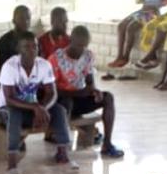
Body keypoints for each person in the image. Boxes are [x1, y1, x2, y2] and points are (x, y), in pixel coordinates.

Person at [0, 31, 77, 174]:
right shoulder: (10, 66)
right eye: (26, 47)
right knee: (13, 114)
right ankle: (12, 163)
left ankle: (63, 155)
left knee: (59, 109)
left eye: (34, 46)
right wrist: (36, 108)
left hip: (31, 108)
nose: (31, 50)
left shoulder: (44, 65)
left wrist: (42, 108)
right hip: (7, 109)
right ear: (18, 50)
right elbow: (9, 99)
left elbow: (52, 93)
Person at [50, 25, 123, 158]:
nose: (81, 50)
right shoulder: (56, 58)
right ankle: (62, 150)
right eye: (78, 45)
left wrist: (94, 91)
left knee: (108, 98)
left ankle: (107, 144)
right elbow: (52, 91)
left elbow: (89, 81)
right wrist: (79, 93)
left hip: (80, 98)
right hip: (62, 101)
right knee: (67, 102)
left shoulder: (88, 56)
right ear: (70, 40)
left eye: (84, 46)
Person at [107, 0, 167, 69]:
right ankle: (119, 56)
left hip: (153, 12)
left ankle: (126, 57)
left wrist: (152, 4)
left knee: (131, 27)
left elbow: (165, 2)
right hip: (142, 10)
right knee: (121, 25)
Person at [0, 5, 32, 74]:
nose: (26, 21)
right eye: (22, 18)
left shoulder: (33, 41)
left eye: (28, 18)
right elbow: (3, 70)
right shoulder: (3, 42)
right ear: (13, 20)